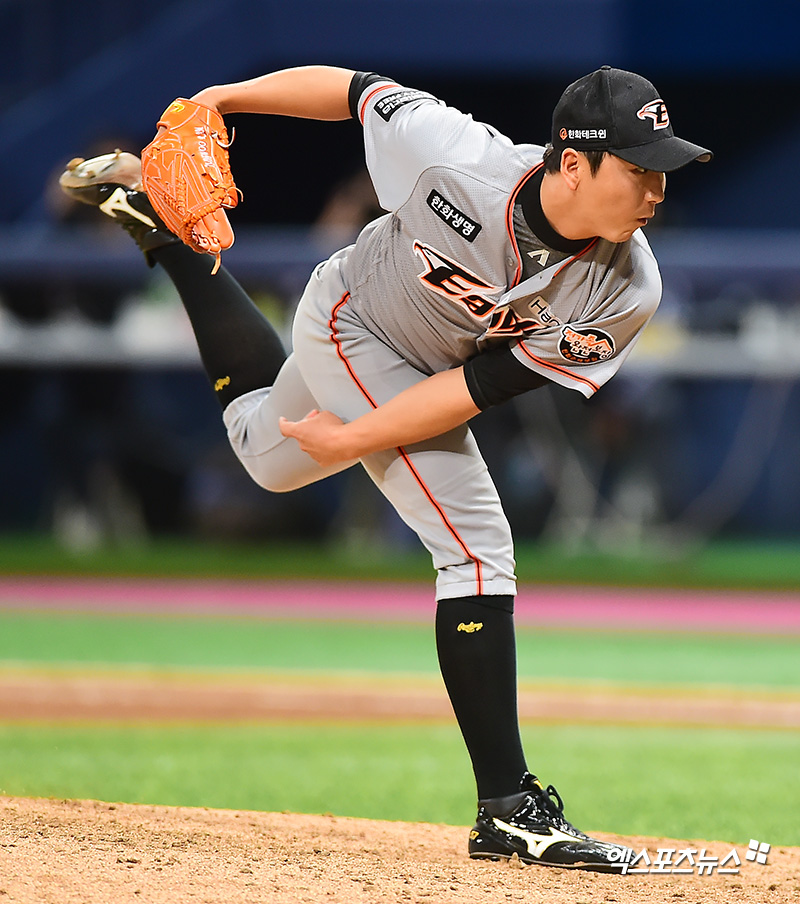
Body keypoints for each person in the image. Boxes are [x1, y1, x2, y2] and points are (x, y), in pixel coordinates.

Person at [61, 64, 711, 871]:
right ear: (573, 163)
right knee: (476, 548)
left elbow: (474, 389)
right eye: (639, 168)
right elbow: (354, 90)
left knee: (264, 454)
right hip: (350, 321)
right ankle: (508, 810)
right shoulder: (456, 158)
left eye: (663, 169)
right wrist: (218, 101)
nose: (656, 190)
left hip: (424, 369)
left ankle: (165, 234)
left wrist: (358, 436)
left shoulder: (627, 286)